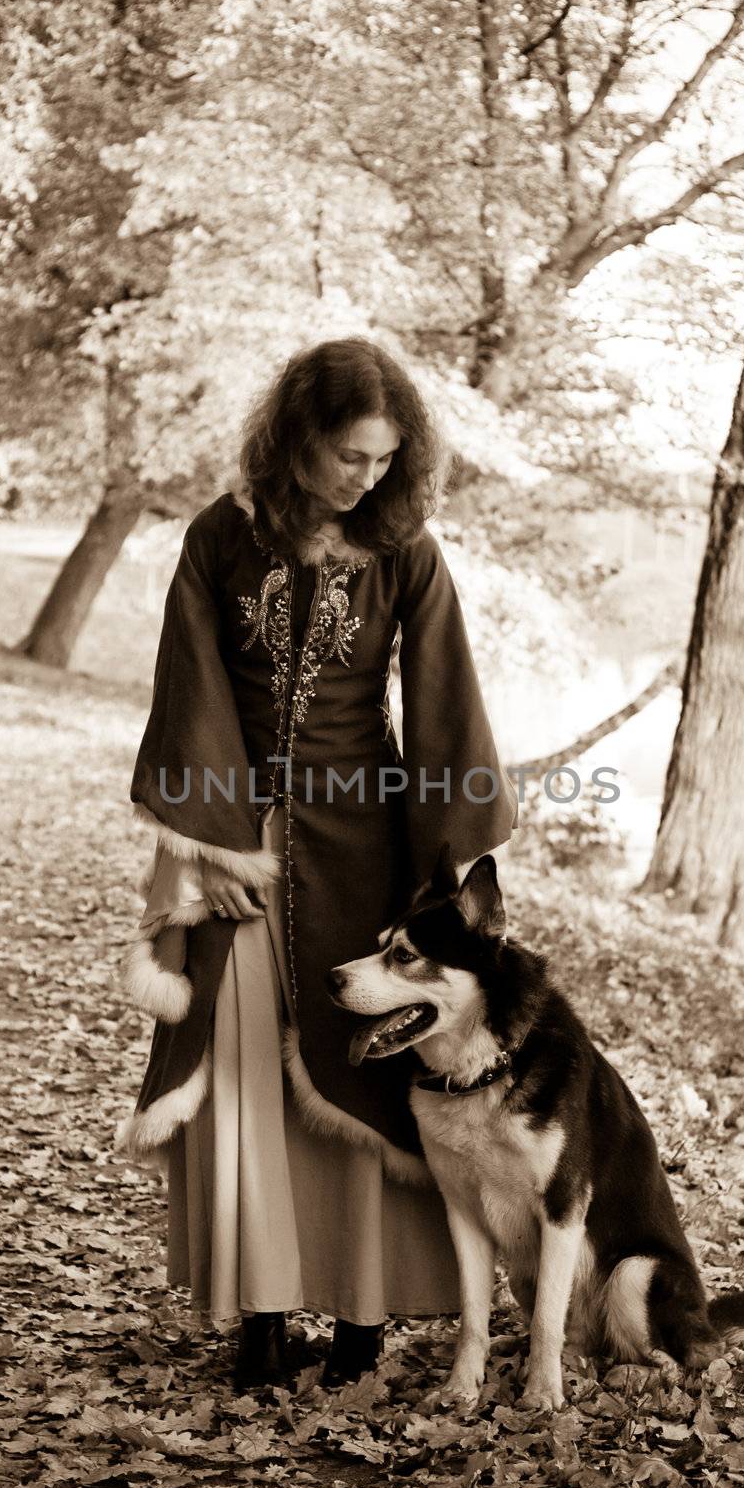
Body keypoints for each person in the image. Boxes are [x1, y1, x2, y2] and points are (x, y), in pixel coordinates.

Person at [117, 336, 518, 1390]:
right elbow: (189, 684)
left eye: (384, 459)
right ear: (297, 438)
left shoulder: (404, 549)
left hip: (362, 845)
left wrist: (452, 871)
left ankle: (361, 1322)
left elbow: (442, 703)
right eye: (349, 455)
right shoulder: (219, 538)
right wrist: (216, 836)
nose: (367, 476)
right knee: (246, 1078)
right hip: (238, 846)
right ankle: (258, 1314)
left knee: (365, 1079)